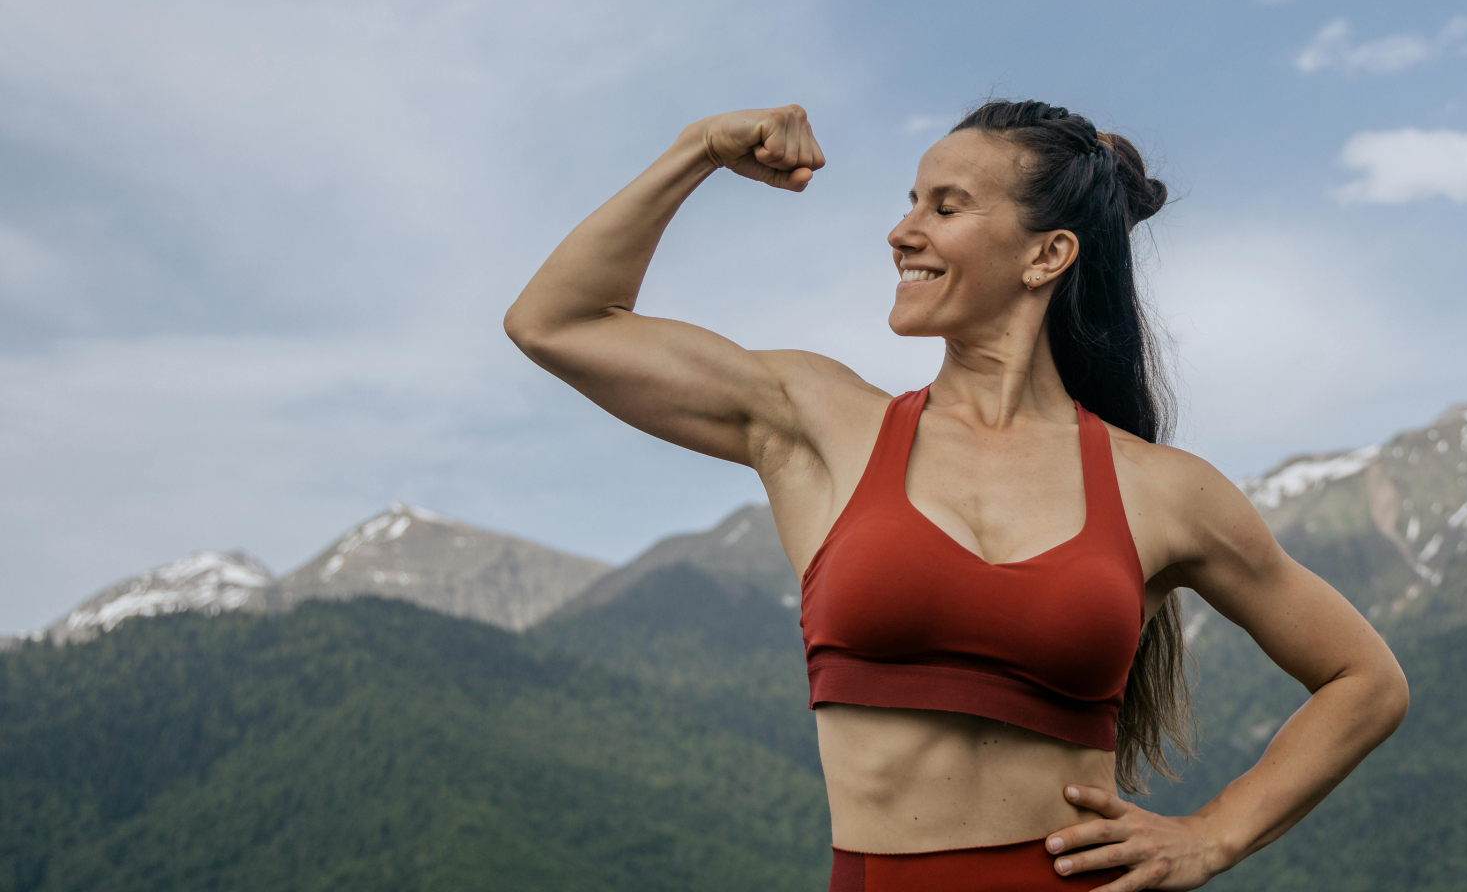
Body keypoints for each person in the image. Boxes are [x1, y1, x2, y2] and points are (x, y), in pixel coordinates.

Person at [505, 100, 1408, 891]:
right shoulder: (819, 422)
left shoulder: (1165, 492)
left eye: (946, 206)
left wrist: (1212, 836)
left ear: (1047, 255)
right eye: (910, 203)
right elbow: (557, 323)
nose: (903, 231)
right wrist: (697, 148)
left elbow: (1363, 680)